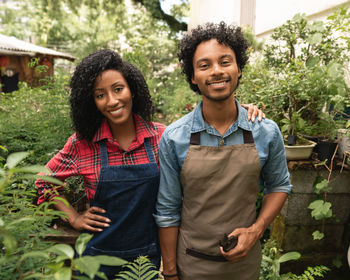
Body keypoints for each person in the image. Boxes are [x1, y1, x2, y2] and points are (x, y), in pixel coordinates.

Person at [35, 49, 263, 279]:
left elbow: (210, 132)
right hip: (96, 262)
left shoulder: (162, 136)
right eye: (100, 94)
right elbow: (44, 180)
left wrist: (240, 112)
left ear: (132, 90)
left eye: (118, 89)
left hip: (148, 261)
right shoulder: (83, 144)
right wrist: (74, 217)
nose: (112, 101)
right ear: (91, 101)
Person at [154, 22, 292, 280]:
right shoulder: (175, 138)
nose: (217, 71)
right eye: (204, 65)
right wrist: (170, 273)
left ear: (239, 69)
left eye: (225, 62)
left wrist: (256, 230)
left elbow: (279, 185)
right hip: (191, 264)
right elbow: (167, 210)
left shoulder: (266, 132)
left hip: (244, 265)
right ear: (193, 77)